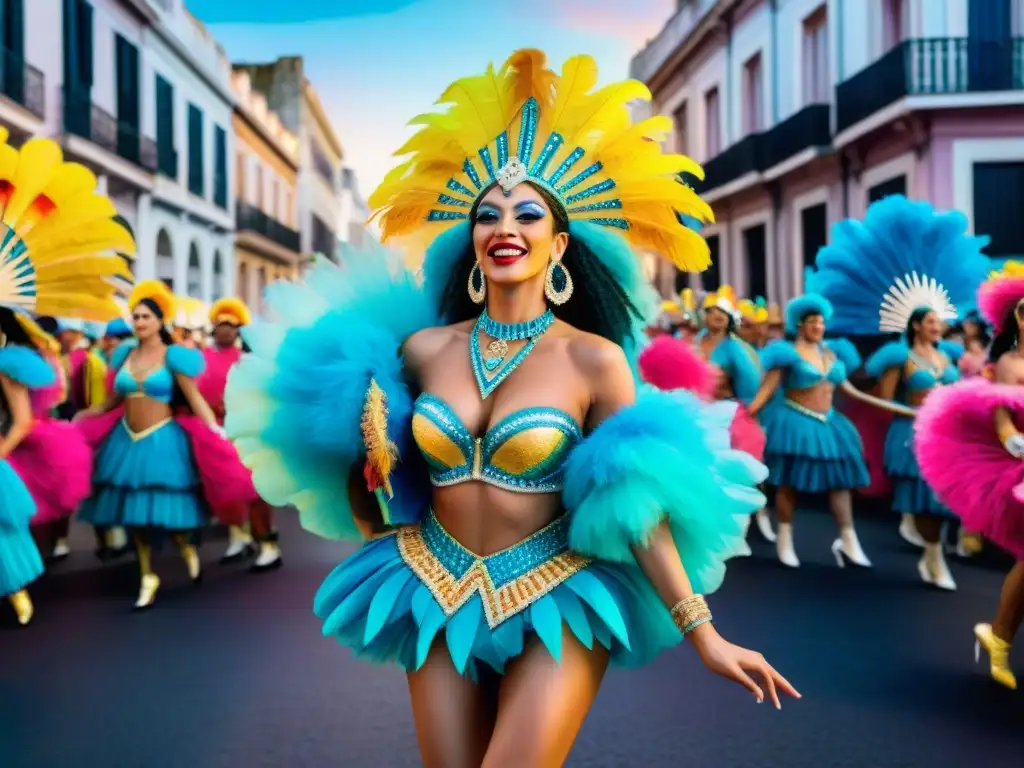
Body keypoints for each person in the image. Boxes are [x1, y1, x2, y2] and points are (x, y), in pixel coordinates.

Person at [226, 49, 798, 765]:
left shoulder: (593, 360)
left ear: (557, 245)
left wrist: (703, 632)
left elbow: (636, 505)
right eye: (488, 214)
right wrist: (374, 496)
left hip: (556, 590)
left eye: (528, 214)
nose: (506, 226)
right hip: (432, 585)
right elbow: (370, 473)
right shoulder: (424, 350)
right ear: (470, 241)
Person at [806, 195, 990, 591]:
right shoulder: (898, 357)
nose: (938, 327)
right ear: (916, 325)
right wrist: (906, 413)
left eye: (940, 321)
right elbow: (885, 400)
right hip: (910, 435)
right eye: (930, 322)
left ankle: (932, 550)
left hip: (946, 435)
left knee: (945, 499)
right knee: (922, 498)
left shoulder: (951, 357)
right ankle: (934, 554)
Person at [0, 128, 133, 625]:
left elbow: (20, 422)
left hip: (5, 455)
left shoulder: (10, 365)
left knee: (7, 535)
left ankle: (19, 595)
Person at [75, 281, 252, 610]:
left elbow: (195, 398)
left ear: (159, 321)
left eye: (145, 317)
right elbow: (113, 399)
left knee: (170, 515)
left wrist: (216, 429)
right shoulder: (125, 354)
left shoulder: (175, 356)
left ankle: (185, 547)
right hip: (126, 441)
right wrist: (83, 415)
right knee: (135, 517)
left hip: (163, 439)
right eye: (135, 317)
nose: (139, 322)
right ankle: (147, 576)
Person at [916, 261, 1024, 689]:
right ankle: (999, 638)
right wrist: (1014, 440)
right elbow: (1002, 423)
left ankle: (998, 635)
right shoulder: (1008, 366)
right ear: (1018, 317)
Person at [749, 294, 891, 568]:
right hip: (795, 423)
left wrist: (886, 404)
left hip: (830, 424)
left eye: (822, 321)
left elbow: (846, 388)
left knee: (841, 483)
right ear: (800, 324)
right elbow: (767, 391)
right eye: (813, 321)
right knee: (789, 482)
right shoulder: (786, 353)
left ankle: (848, 541)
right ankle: (785, 538)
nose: (819, 326)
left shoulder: (832, 352)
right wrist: (747, 413)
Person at [198, 297, 279, 571]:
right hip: (215, 432)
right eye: (221, 324)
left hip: (247, 429)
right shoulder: (201, 359)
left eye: (231, 325)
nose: (225, 330)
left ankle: (268, 544)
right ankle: (238, 536)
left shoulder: (247, 361)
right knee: (223, 486)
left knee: (254, 487)